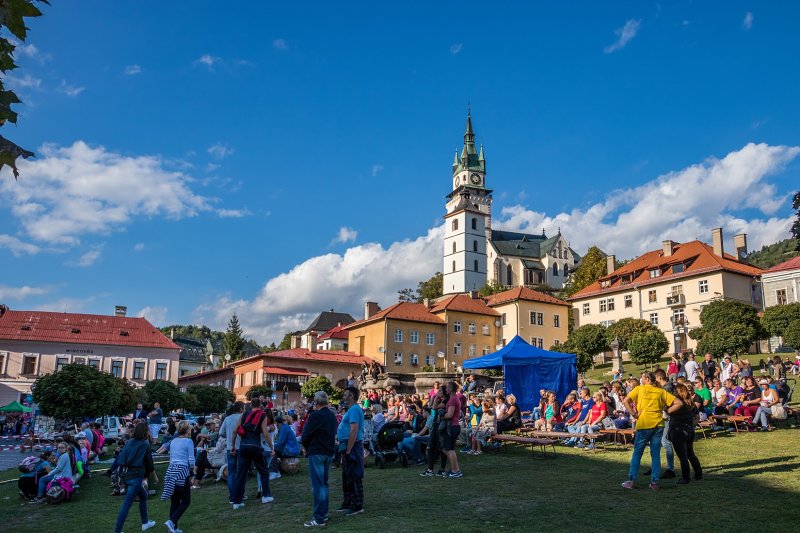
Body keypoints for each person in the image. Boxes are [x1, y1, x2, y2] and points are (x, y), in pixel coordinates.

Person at [621, 372, 683, 490]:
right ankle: (654, 482)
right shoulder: (661, 391)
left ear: (647, 379)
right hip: (658, 424)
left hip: (644, 424)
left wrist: (634, 414)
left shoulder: (639, 389)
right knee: (655, 454)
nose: (640, 379)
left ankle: (631, 481)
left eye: (642, 377)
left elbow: (625, 401)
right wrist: (667, 412)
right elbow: (679, 403)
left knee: (637, 453)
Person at [301, 391, 338, 527]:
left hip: (317, 451)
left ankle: (319, 518)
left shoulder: (315, 416)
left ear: (316, 402)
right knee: (324, 484)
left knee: (318, 485)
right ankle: (324, 513)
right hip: (328, 452)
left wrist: (305, 448)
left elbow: (305, 435)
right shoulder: (332, 416)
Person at [112, 423, 156, 533]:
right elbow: (149, 463)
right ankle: (117, 530)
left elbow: (121, 459)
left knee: (143, 495)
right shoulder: (144, 444)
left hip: (127, 475)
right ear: (145, 431)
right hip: (135, 477)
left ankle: (145, 523)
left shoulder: (130, 442)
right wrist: (149, 474)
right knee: (127, 504)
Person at [231, 398, 275, 509]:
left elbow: (235, 430)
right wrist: (272, 448)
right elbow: (265, 433)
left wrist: (232, 446)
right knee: (263, 471)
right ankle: (265, 495)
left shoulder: (244, 414)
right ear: (260, 405)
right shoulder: (262, 415)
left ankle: (237, 501)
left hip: (243, 446)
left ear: (250, 405)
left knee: (240, 474)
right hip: (255, 446)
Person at [335, 386, 365, 516]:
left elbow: (354, 430)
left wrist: (348, 449)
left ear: (351, 396)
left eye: (346, 395)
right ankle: (348, 502)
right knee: (347, 476)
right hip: (348, 445)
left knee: (354, 475)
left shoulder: (354, 410)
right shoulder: (351, 410)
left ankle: (357, 505)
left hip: (352, 446)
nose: (344, 397)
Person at [162, 421, 194, 533]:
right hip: (182, 471)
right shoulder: (188, 441)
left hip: (171, 471)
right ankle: (171, 521)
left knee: (174, 501)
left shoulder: (173, 441)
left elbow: (171, 458)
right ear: (187, 430)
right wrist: (192, 471)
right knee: (186, 500)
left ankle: (173, 528)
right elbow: (191, 460)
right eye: (190, 428)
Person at [668, 383, 703, 484]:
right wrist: (691, 425)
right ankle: (698, 474)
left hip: (677, 430)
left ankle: (685, 478)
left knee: (682, 456)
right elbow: (697, 417)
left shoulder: (675, 404)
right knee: (690, 454)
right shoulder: (690, 403)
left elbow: (666, 413)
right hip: (689, 430)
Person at [218, 401, 243, 503]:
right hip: (241, 447)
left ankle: (232, 496)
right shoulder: (243, 417)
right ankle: (240, 495)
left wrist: (228, 437)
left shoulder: (227, 419)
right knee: (241, 472)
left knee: (231, 473)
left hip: (230, 448)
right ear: (241, 408)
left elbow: (221, 433)